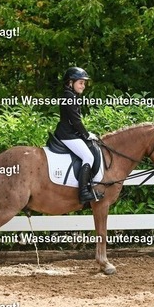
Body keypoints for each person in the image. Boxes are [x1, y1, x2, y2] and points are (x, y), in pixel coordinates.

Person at [54, 66, 103, 204]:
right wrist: (86, 135)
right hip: (67, 135)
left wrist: (87, 134)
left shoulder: (71, 95)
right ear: (71, 82)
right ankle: (83, 193)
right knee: (88, 157)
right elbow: (75, 121)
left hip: (71, 132)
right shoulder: (69, 96)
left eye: (84, 83)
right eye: (81, 83)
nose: (83, 86)